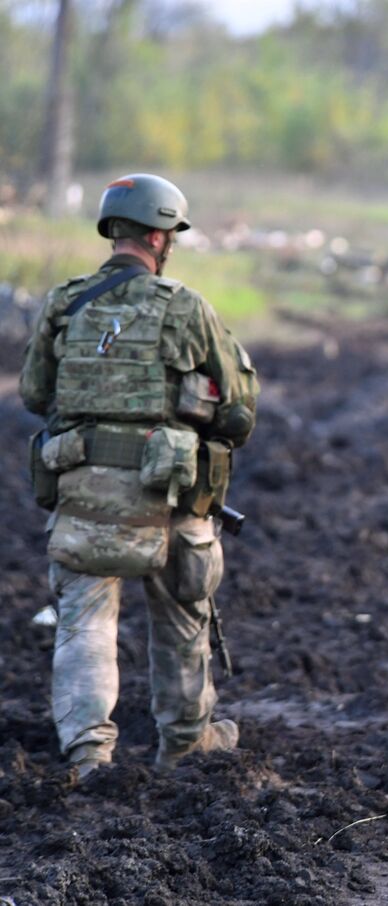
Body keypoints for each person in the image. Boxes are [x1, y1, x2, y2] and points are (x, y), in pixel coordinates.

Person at [20, 174, 259, 778]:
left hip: (82, 494)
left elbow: (33, 393)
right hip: (169, 495)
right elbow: (238, 409)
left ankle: (88, 753)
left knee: (85, 624)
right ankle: (183, 742)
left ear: (114, 232)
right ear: (160, 236)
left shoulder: (64, 303)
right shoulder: (185, 306)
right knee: (182, 614)